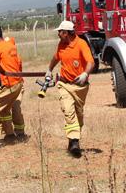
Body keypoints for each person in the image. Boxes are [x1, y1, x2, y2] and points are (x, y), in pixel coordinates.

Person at [46, 21, 94, 158]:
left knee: (78, 114)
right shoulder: (61, 44)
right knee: (68, 111)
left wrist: (85, 74)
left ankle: (73, 140)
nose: (58, 34)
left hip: (80, 87)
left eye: (59, 31)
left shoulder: (81, 44)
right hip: (64, 85)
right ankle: (74, 142)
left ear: (66, 33)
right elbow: (56, 58)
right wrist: (49, 70)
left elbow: (90, 62)